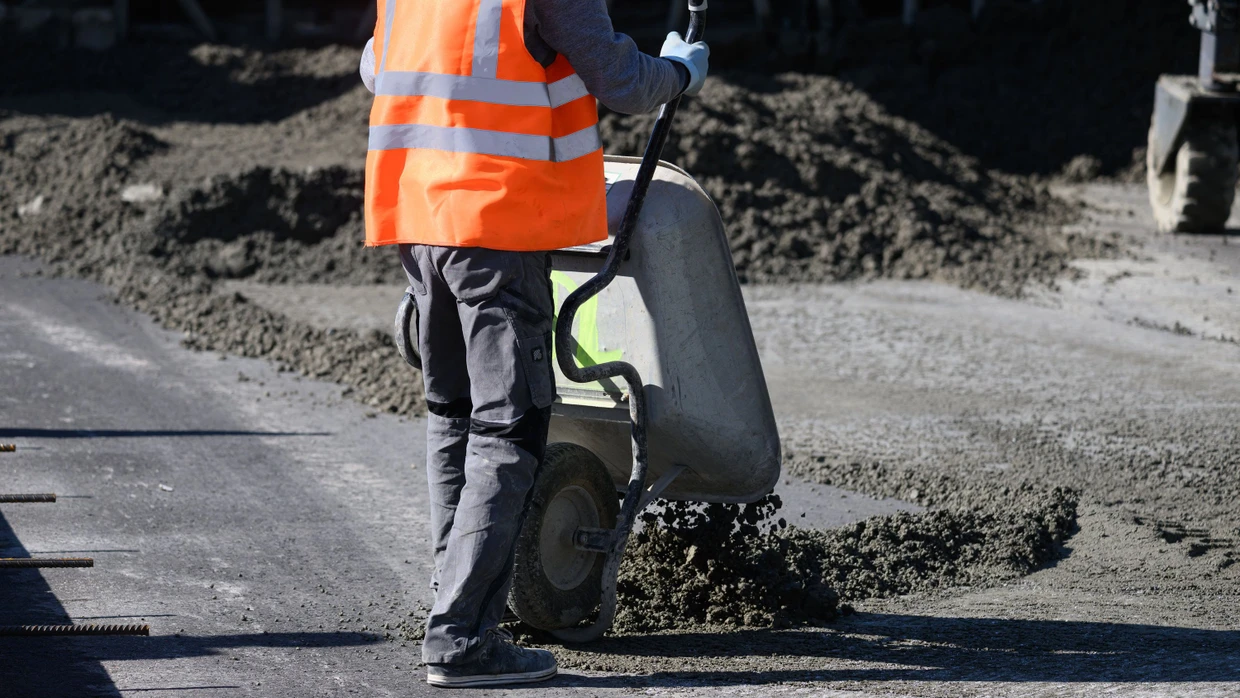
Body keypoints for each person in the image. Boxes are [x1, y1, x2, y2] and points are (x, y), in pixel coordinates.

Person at [360, 0, 709, 688]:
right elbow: (621, 81)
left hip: (420, 216)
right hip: (498, 222)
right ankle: (461, 638)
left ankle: (453, 596)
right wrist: (680, 71)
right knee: (508, 432)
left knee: (453, 415)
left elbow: (378, 68)